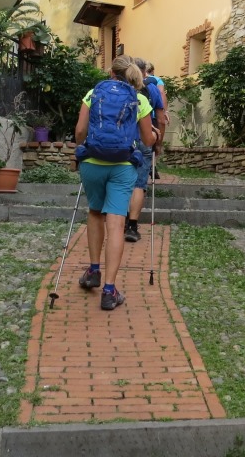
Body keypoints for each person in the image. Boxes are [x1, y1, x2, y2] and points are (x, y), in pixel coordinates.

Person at [74, 56, 157, 310]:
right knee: (117, 223)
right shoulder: (140, 99)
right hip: (122, 166)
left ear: (111, 73)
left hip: (92, 164)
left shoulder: (93, 94)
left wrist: (85, 147)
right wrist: (155, 134)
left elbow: (79, 132)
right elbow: (147, 140)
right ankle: (109, 291)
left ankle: (93, 271)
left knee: (95, 213)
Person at [125, 58, 165, 243]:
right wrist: (159, 143)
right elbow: (161, 119)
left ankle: (121, 218)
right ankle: (132, 226)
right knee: (139, 184)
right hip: (144, 138)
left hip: (124, 140)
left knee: (122, 181)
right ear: (145, 72)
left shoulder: (121, 88)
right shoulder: (152, 89)